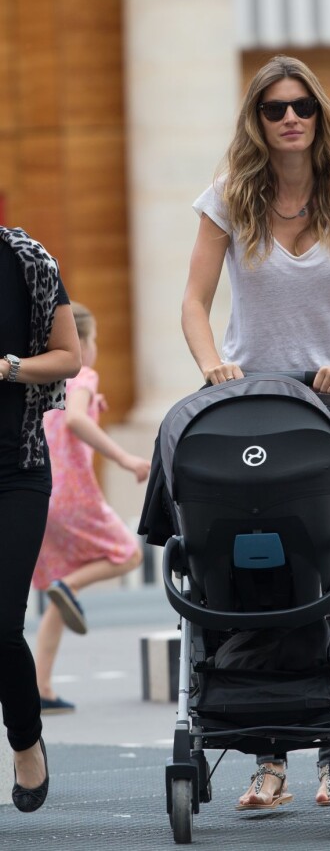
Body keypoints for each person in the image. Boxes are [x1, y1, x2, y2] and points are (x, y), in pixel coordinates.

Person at [181, 54, 330, 809]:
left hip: (327, 400)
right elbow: (195, 304)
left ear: (318, 113)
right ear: (257, 121)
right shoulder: (228, 198)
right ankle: (265, 761)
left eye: (301, 105)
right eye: (274, 109)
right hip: (248, 401)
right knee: (247, 571)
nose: (290, 117)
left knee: (324, 566)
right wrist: (212, 367)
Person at [33, 302, 151, 713]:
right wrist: (127, 459)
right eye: (95, 339)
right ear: (80, 342)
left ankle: (42, 688)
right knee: (128, 552)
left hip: (39, 494)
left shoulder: (40, 378)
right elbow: (76, 421)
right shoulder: (81, 373)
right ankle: (70, 587)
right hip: (73, 494)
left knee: (58, 590)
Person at [0, 226, 81, 812]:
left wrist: (7, 367)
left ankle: (26, 741)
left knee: (2, 624)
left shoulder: (26, 260)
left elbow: (68, 358)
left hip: (15, 469)